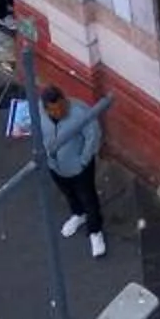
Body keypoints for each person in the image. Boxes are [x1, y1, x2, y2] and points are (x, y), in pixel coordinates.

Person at [40, 84, 107, 258]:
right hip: (55, 167)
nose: (60, 112)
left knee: (89, 198)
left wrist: (83, 161)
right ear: (46, 110)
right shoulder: (40, 114)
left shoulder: (79, 111)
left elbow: (93, 135)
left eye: (62, 106)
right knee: (68, 193)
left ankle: (95, 231)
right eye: (54, 110)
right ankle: (78, 214)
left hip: (79, 168)